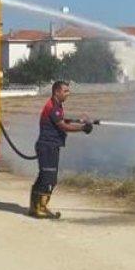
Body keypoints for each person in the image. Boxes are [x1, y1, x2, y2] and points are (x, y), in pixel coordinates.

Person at [30, 80, 93, 219]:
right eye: (65, 91)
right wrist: (82, 128)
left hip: (48, 146)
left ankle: (35, 207)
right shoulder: (53, 107)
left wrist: (80, 121)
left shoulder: (56, 105)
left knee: (43, 177)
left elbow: (62, 120)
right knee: (49, 179)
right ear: (57, 91)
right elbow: (63, 126)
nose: (68, 94)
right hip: (48, 147)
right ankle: (40, 208)